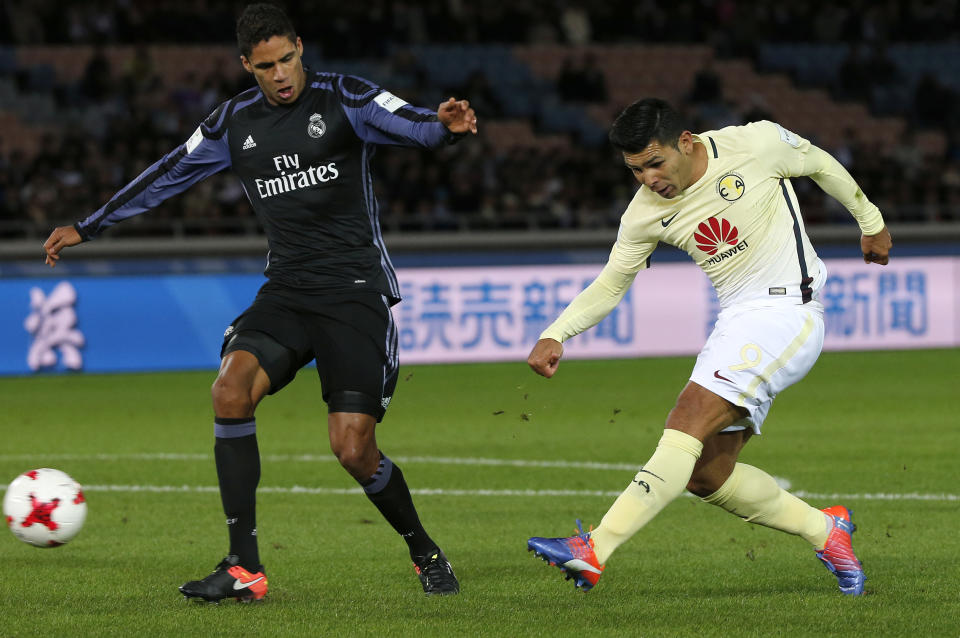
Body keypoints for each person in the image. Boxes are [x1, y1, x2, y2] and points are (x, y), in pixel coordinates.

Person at [42, 3, 477, 601]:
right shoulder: (232, 123)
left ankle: (423, 549)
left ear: (301, 47)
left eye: (288, 59)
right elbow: (169, 171)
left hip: (354, 292)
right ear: (247, 65)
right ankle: (243, 565)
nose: (281, 75)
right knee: (229, 389)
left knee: (352, 449)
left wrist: (443, 124)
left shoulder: (344, 96)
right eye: (266, 66)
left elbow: (409, 122)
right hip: (288, 290)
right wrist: (88, 226)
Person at [525, 98, 891, 596]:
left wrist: (870, 223)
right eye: (636, 170)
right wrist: (557, 332)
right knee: (707, 475)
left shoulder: (755, 144)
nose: (649, 179)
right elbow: (612, 282)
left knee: (688, 416)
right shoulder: (643, 215)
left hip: (788, 313)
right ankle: (826, 531)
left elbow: (820, 163)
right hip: (738, 322)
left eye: (656, 163)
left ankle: (594, 547)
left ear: (687, 142)